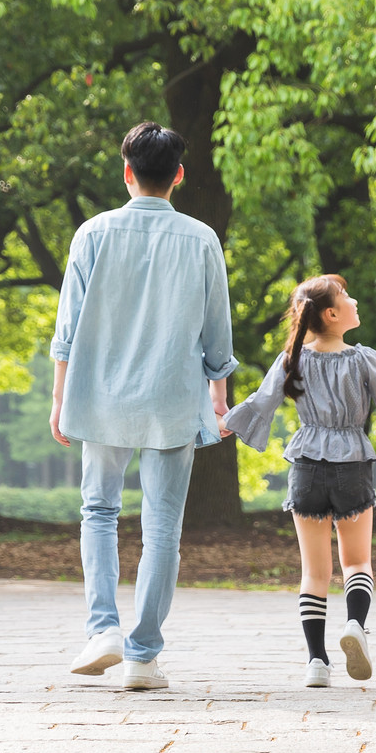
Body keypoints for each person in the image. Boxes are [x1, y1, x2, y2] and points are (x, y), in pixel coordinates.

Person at [50, 122, 237, 691]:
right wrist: (219, 398)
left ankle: (102, 629)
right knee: (162, 527)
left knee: (99, 511)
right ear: (178, 175)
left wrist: (59, 397)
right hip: (171, 398)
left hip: (100, 394)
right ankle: (142, 655)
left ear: (126, 173)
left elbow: (67, 327)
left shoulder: (92, 233)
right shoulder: (201, 238)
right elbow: (217, 333)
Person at [223, 275, 376, 688]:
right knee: (357, 562)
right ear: (331, 314)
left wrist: (221, 424)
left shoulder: (292, 359)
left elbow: (258, 405)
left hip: (306, 467)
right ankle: (356, 626)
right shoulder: (364, 359)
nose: (354, 299)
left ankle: (316, 663)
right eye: (346, 296)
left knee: (314, 572)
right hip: (352, 465)